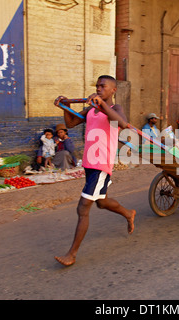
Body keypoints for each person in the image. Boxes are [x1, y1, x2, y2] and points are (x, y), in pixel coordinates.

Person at [53, 75, 136, 267]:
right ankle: (128, 214)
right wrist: (65, 106)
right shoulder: (92, 107)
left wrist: (102, 105)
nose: (98, 89)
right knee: (101, 202)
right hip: (90, 163)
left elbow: (123, 124)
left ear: (113, 90)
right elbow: (72, 123)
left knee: (83, 207)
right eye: (97, 86)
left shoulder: (115, 109)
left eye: (103, 86)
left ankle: (71, 254)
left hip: (101, 164)